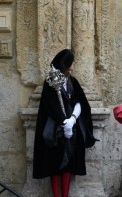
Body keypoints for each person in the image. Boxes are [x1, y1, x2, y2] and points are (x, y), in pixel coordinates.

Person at [33, 49, 96, 197]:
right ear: (66, 63)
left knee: (68, 163)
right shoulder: (51, 82)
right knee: (54, 165)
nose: (74, 64)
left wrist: (72, 119)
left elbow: (80, 101)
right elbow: (50, 105)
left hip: (71, 128)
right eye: (72, 61)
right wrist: (63, 122)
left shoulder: (72, 81)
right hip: (55, 129)